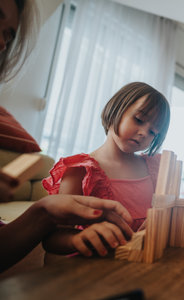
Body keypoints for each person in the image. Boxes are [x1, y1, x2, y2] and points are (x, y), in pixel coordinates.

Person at [0, 0, 133, 272]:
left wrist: (45, 211)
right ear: (114, 113)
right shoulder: (80, 167)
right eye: (140, 120)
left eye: (8, 35)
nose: (3, 45)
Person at [42, 82, 170, 257]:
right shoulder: (80, 171)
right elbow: (52, 240)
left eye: (153, 132)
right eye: (138, 120)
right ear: (116, 109)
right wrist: (78, 239)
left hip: (142, 263)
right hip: (93, 267)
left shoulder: (156, 168)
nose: (143, 133)